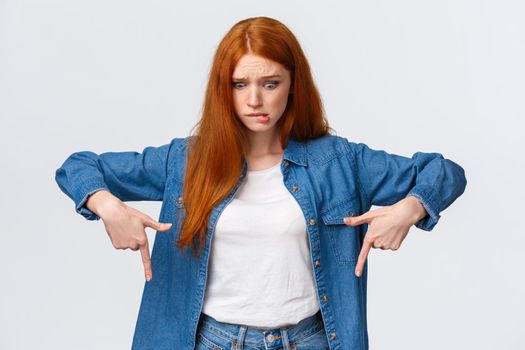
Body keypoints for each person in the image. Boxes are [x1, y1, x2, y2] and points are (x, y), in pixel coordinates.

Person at [55, 16, 467, 350]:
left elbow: (444, 172)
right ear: (224, 90)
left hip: (309, 341)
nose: (255, 100)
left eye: (270, 84)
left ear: (292, 85)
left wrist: (410, 210)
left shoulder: (339, 161)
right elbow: (79, 166)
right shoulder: (185, 160)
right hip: (210, 341)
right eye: (240, 84)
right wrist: (107, 206)